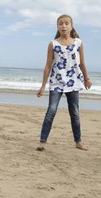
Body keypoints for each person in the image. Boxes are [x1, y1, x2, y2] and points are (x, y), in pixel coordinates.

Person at [36, 14, 92, 151]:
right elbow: (48, 66)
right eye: (61, 23)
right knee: (51, 110)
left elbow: (82, 63)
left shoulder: (78, 43)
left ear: (71, 26)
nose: (64, 26)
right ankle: (42, 141)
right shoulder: (53, 44)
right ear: (57, 27)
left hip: (73, 82)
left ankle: (78, 141)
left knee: (75, 113)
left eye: (66, 23)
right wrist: (43, 85)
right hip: (56, 82)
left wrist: (86, 78)